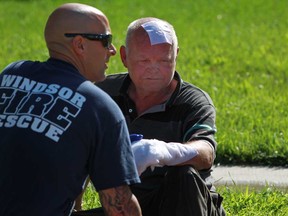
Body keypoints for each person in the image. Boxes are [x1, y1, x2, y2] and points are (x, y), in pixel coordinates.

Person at [0, 3, 142, 216]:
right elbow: (119, 206)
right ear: (80, 45)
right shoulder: (100, 107)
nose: (112, 51)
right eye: (106, 41)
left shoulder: (11, 75)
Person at [96, 17, 226, 216]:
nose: (154, 68)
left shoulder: (192, 100)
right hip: (130, 205)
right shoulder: (103, 93)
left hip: (185, 203)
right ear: (124, 56)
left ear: (176, 55)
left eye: (164, 60)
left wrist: (158, 151)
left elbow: (206, 153)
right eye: (144, 60)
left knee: (183, 174)